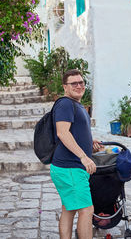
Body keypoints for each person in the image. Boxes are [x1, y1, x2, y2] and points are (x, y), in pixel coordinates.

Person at [50, 69, 103, 239]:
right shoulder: (66, 103)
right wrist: (83, 156)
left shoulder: (76, 105)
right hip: (70, 167)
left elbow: (74, 131)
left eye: (81, 82)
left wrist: (90, 142)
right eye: (74, 83)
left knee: (69, 209)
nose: (79, 86)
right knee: (87, 210)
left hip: (68, 167)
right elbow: (63, 133)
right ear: (65, 87)